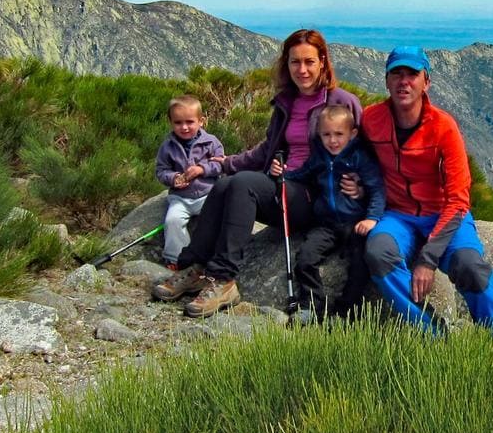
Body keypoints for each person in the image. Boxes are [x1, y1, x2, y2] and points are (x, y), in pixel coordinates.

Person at [152, 29, 362, 317]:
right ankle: (198, 267)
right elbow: (266, 150)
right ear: (286, 65)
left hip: (318, 199)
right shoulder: (286, 102)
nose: (302, 69)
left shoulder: (342, 102)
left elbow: (363, 151)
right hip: (284, 189)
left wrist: (360, 188)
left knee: (244, 185)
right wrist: (226, 163)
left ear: (323, 62)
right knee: (226, 184)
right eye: (295, 62)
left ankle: (224, 280)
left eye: (309, 62)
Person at [361, 45, 493, 346]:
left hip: (442, 213)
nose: (404, 81)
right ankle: (434, 335)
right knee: (378, 253)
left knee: (471, 267)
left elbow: (458, 199)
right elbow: (346, 153)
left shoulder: (444, 128)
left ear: (425, 82)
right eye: (396, 74)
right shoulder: (370, 120)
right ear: (386, 81)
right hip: (397, 214)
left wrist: (428, 260)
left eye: (412, 74)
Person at [284, 104, 385, 319]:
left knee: (360, 263)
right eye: (326, 134)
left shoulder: (359, 158)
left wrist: (372, 218)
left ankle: (345, 311)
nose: (333, 140)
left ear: (352, 133)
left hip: (354, 223)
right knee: (305, 258)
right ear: (319, 135)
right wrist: (283, 175)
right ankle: (312, 305)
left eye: (339, 134)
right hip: (326, 224)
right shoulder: (319, 157)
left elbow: (377, 188)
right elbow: (302, 173)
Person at [154, 95, 225, 268]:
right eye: (178, 123)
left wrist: (202, 169)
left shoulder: (211, 142)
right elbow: (161, 171)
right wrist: (173, 178)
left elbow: (221, 165)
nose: (184, 127)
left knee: (215, 221)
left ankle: (215, 256)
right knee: (172, 221)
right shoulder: (167, 146)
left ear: (201, 121)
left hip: (207, 195)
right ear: (171, 122)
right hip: (180, 198)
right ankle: (177, 258)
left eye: (189, 122)